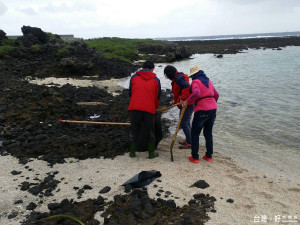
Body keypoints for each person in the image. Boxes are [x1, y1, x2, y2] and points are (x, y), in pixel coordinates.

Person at [182, 66, 219, 163]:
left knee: (195, 134)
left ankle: (195, 157)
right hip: (213, 109)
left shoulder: (196, 82)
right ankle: (209, 156)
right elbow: (216, 95)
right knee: (208, 133)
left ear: (193, 75)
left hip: (202, 110)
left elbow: (197, 93)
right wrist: (211, 104)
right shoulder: (209, 81)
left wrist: (187, 101)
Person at [128, 60, 161, 159]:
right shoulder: (156, 80)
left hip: (134, 108)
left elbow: (130, 93)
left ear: (142, 67)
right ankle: (151, 154)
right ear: (152, 69)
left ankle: (132, 153)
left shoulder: (134, 77)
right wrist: (154, 107)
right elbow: (157, 97)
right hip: (149, 109)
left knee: (134, 130)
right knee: (150, 131)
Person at [164, 65, 193, 149]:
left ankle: (190, 142)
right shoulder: (178, 77)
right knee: (186, 122)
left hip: (187, 104)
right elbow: (179, 91)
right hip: (187, 104)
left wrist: (183, 99)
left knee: (184, 123)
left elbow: (187, 88)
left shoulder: (178, 79)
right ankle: (189, 139)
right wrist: (175, 101)